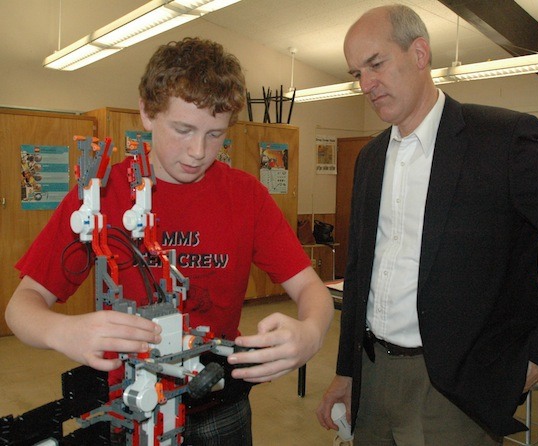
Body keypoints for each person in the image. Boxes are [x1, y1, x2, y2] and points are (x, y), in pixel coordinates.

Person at [316, 4, 538, 445]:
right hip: (372, 373)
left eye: (375, 64)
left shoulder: (501, 141)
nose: (365, 84)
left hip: (453, 387)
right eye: (355, 73)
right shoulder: (371, 158)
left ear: (419, 53)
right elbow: (362, 269)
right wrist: (346, 371)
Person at [5, 37, 333, 445]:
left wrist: (312, 333)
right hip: (130, 410)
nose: (198, 151)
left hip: (219, 410)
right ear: (146, 111)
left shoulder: (245, 196)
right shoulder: (102, 194)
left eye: (216, 135)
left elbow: (309, 288)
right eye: (183, 129)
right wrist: (63, 331)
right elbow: (22, 306)